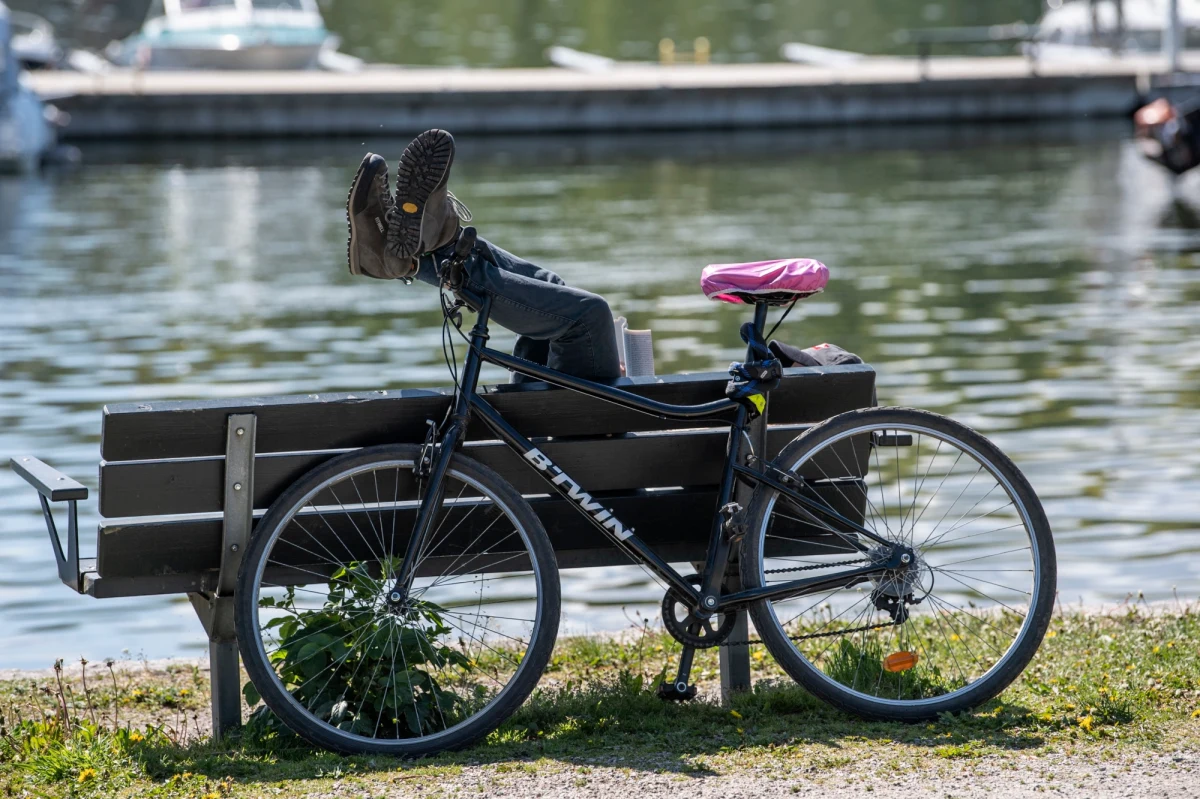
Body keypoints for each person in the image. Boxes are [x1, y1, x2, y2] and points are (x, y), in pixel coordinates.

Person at [346, 129, 621, 382]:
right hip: (572, 416)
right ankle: (430, 248)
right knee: (551, 286)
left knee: (590, 315)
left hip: (584, 422)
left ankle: (426, 255)